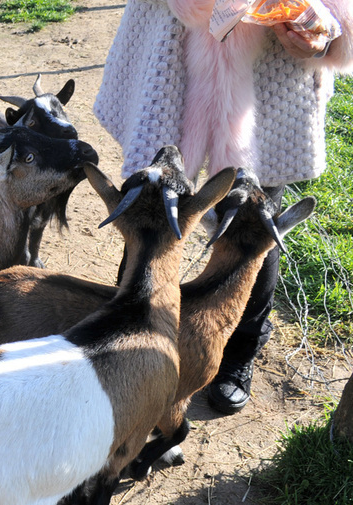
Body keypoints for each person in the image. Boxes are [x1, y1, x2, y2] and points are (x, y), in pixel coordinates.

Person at [94, 0, 353, 414]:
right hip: (172, 46)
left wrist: (326, 27)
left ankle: (237, 348)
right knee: (154, 203)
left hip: (275, 64)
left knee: (253, 223)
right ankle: (125, 331)